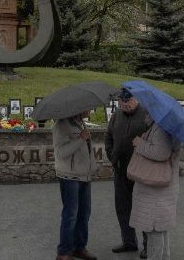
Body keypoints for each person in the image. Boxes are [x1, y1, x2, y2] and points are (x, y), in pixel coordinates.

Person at [129, 114, 182, 260]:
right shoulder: (167, 125)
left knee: (154, 230)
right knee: (161, 228)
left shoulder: (160, 127)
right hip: (162, 186)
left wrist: (139, 143)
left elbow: (161, 153)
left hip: (155, 188)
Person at [105, 88, 150, 258]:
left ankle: (148, 244)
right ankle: (129, 242)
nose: (125, 104)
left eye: (128, 100)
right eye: (122, 101)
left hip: (141, 171)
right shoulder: (116, 115)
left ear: (136, 99)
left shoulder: (146, 114)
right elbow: (108, 136)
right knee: (122, 208)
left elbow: (153, 140)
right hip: (120, 169)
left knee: (143, 208)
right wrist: (112, 156)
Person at [52, 113, 97, 260]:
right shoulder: (61, 124)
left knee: (84, 213)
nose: (90, 110)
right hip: (69, 176)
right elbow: (61, 152)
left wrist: (93, 167)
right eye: (87, 108)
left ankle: (79, 248)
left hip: (84, 175)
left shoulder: (80, 122)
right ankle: (64, 252)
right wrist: (81, 139)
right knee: (71, 215)